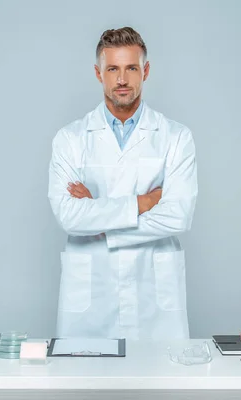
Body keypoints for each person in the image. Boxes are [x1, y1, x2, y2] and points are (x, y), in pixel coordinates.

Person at [47, 27, 198, 341]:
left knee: (159, 384)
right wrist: (142, 203)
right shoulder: (71, 138)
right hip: (92, 292)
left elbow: (178, 215)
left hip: (153, 290)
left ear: (145, 70)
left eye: (131, 68)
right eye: (112, 69)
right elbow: (69, 216)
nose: (122, 79)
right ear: (98, 73)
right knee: (86, 385)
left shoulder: (176, 137)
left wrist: (100, 220)